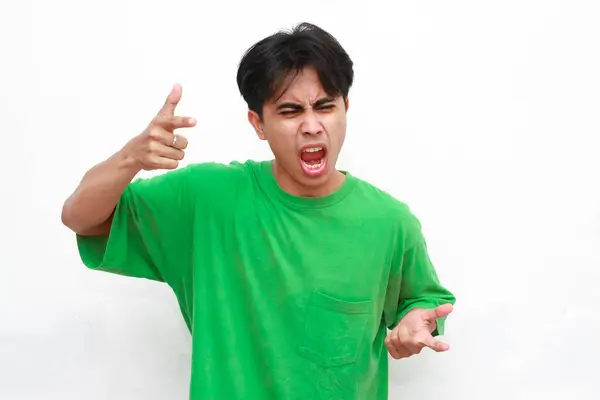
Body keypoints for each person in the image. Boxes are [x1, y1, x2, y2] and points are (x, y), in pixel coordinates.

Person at [62, 22, 456, 400]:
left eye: (325, 106)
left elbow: (424, 302)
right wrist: (132, 156)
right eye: (290, 111)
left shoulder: (389, 222)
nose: (312, 126)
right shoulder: (206, 200)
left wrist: (415, 321)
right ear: (258, 123)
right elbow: (80, 217)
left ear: (345, 107)